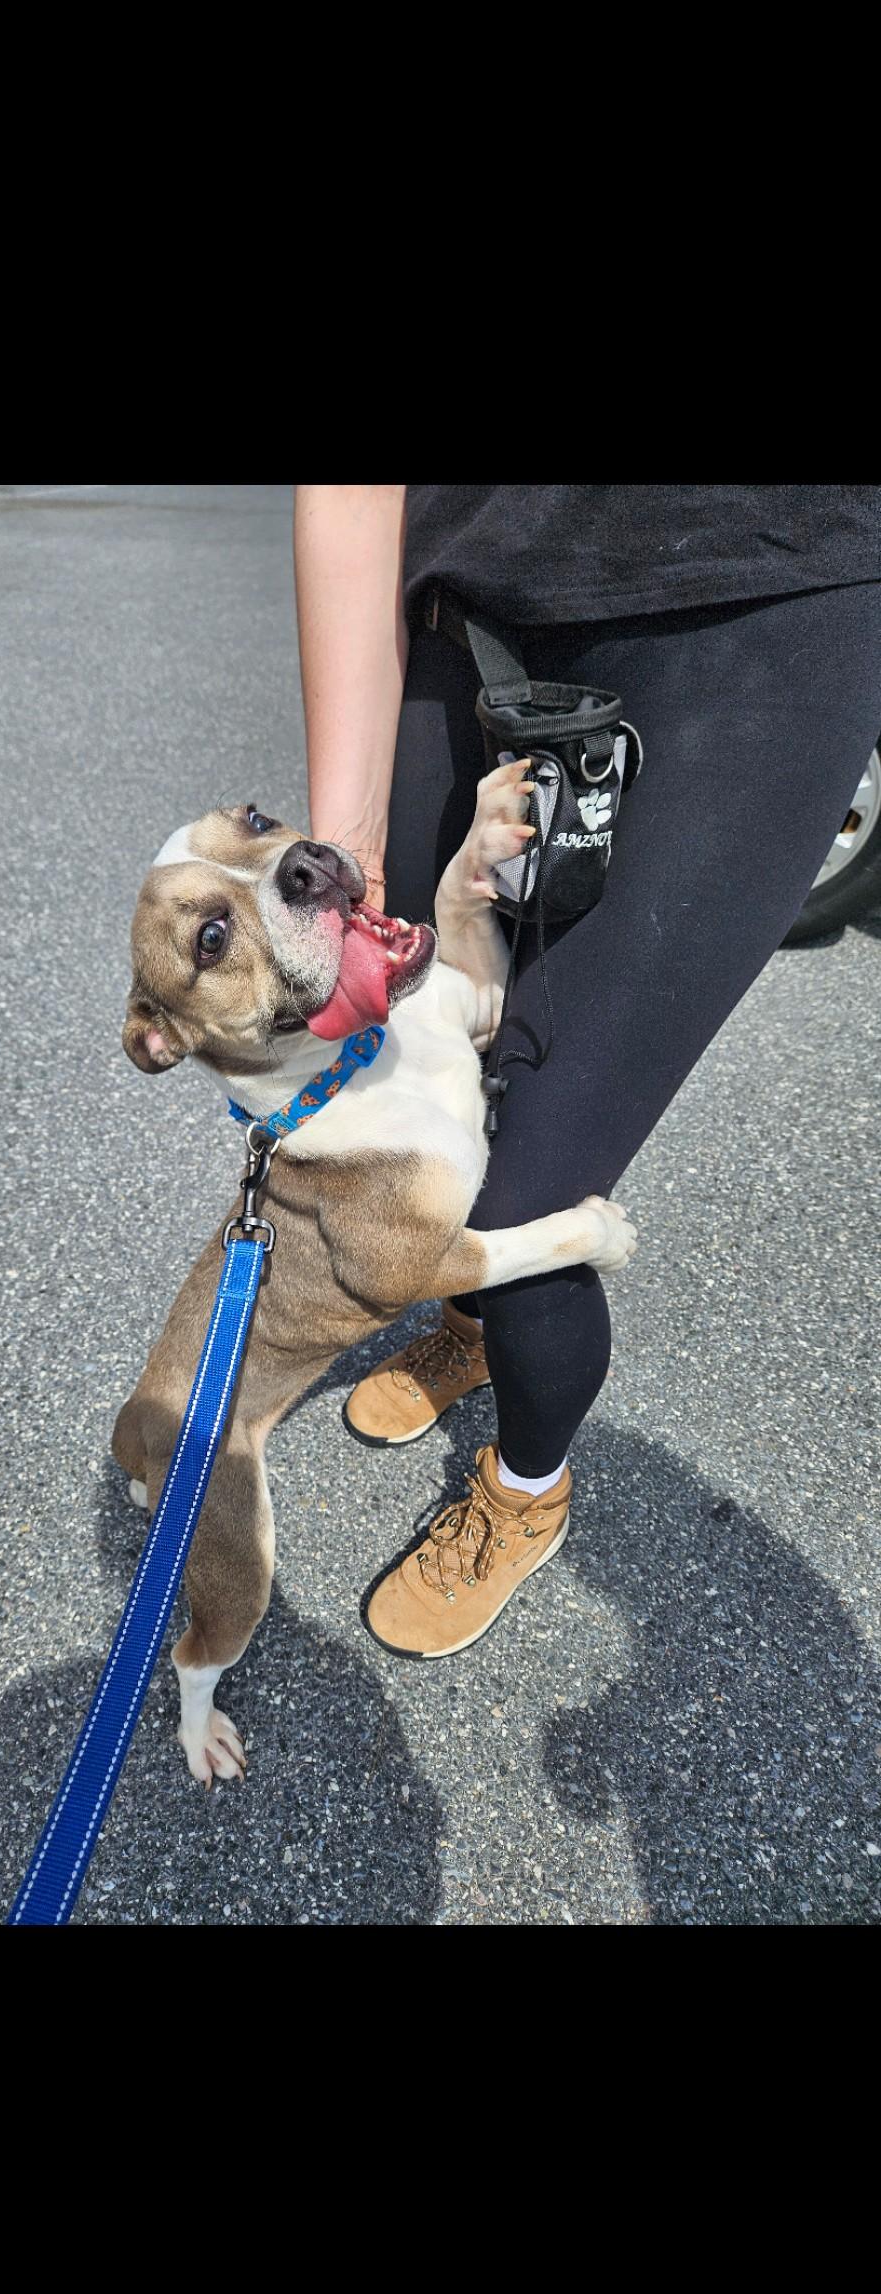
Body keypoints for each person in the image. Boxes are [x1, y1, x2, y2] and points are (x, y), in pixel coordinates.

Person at [293, 485, 881, 1659]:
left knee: (533, 1198)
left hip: (767, 603)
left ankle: (526, 1487)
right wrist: (342, 862)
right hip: (470, 604)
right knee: (413, 1072)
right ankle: (462, 1315)